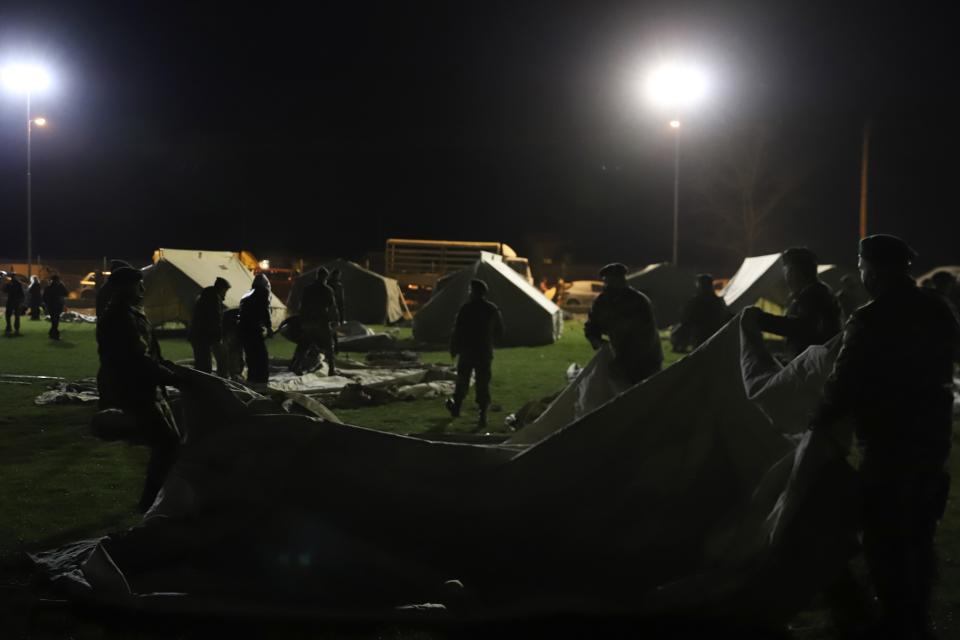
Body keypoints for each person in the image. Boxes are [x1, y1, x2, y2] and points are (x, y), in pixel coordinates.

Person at [810, 235, 960, 638]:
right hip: (931, 436)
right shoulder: (938, 308)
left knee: (884, 536)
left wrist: (816, 417)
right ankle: (916, 618)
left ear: (873, 269)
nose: (861, 275)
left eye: (861, 267)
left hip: (888, 442)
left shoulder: (870, 318)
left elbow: (844, 383)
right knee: (920, 530)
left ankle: (896, 622)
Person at [96, 267, 181, 512]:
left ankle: (158, 499)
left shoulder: (131, 313)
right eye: (138, 285)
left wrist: (168, 370)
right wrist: (172, 377)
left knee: (170, 443)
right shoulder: (120, 317)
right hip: (135, 388)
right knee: (167, 444)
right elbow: (136, 359)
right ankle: (150, 503)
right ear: (125, 287)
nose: (143, 289)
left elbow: (150, 353)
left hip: (147, 385)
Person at [753, 247, 843, 361]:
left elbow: (801, 327)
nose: (787, 278)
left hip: (812, 369)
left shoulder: (814, 294)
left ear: (796, 272)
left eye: (788, 272)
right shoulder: (815, 292)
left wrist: (761, 320)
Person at [584, 263, 663, 384]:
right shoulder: (602, 302)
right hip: (620, 356)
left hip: (646, 359)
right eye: (608, 280)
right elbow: (592, 326)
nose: (611, 284)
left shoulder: (638, 301)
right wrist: (597, 341)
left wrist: (621, 359)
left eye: (616, 279)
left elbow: (644, 336)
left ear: (623, 280)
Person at [445, 279, 504, 428]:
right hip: (484, 352)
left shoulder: (466, 308)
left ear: (474, 292)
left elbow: (457, 330)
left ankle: (456, 407)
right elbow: (500, 331)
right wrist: (490, 342)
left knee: (462, 381)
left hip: (468, 351)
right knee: (483, 384)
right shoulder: (492, 309)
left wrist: (454, 347)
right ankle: (482, 415)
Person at [670, 273, 732, 352]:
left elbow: (687, 319)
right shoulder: (718, 301)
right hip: (716, 337)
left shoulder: (697, 301)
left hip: (701, 336)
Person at [292, 267, 337, 376]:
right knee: (329, 346)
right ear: (325, 277)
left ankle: (297, 367)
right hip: (321, 321)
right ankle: (331, 369)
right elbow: (332, 307)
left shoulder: (308, 289)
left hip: (309, 321)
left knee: (304, 346)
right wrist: (334, 320)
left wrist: (302, 321)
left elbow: (302, 306)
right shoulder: (327, 290)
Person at [188, 277, 231, 374]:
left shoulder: (206, 296)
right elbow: (215, 320)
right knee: (204, 366)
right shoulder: (213, 298)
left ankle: (200, 383)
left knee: (202, 363)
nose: (225, 294)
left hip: (198, 336)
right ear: (221, 289)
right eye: (225, 291)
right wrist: (219, 337)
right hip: (201, 336)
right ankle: (204, 385)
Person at [239, 274, 274, 387]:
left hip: (244, 330)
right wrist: (268, 327)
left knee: (250, 356)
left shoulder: (247, 295)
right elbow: (265, 311)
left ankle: (252, 378)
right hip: (254, 330)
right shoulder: (262, 292)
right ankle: (262, 380)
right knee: (261, 356)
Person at [42, 274, 69, 340]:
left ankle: (53, 333)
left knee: (54, 320)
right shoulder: (60, 287)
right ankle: (55, 334)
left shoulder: (48, 287)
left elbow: (44, 297)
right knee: (55, 321)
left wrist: (46, 304)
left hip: (50, 306)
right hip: (57, 306)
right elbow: (66, 293)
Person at [3, 273, 25, 337]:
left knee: (8, 315)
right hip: (17, 302)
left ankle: (8, 328)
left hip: (10, 301)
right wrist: (21, 301)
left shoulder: (9, 283)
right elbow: (21, 293)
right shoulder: (18, 284)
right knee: (17, 316)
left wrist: (6, 283)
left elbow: (4, 290)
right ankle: (17, 330)